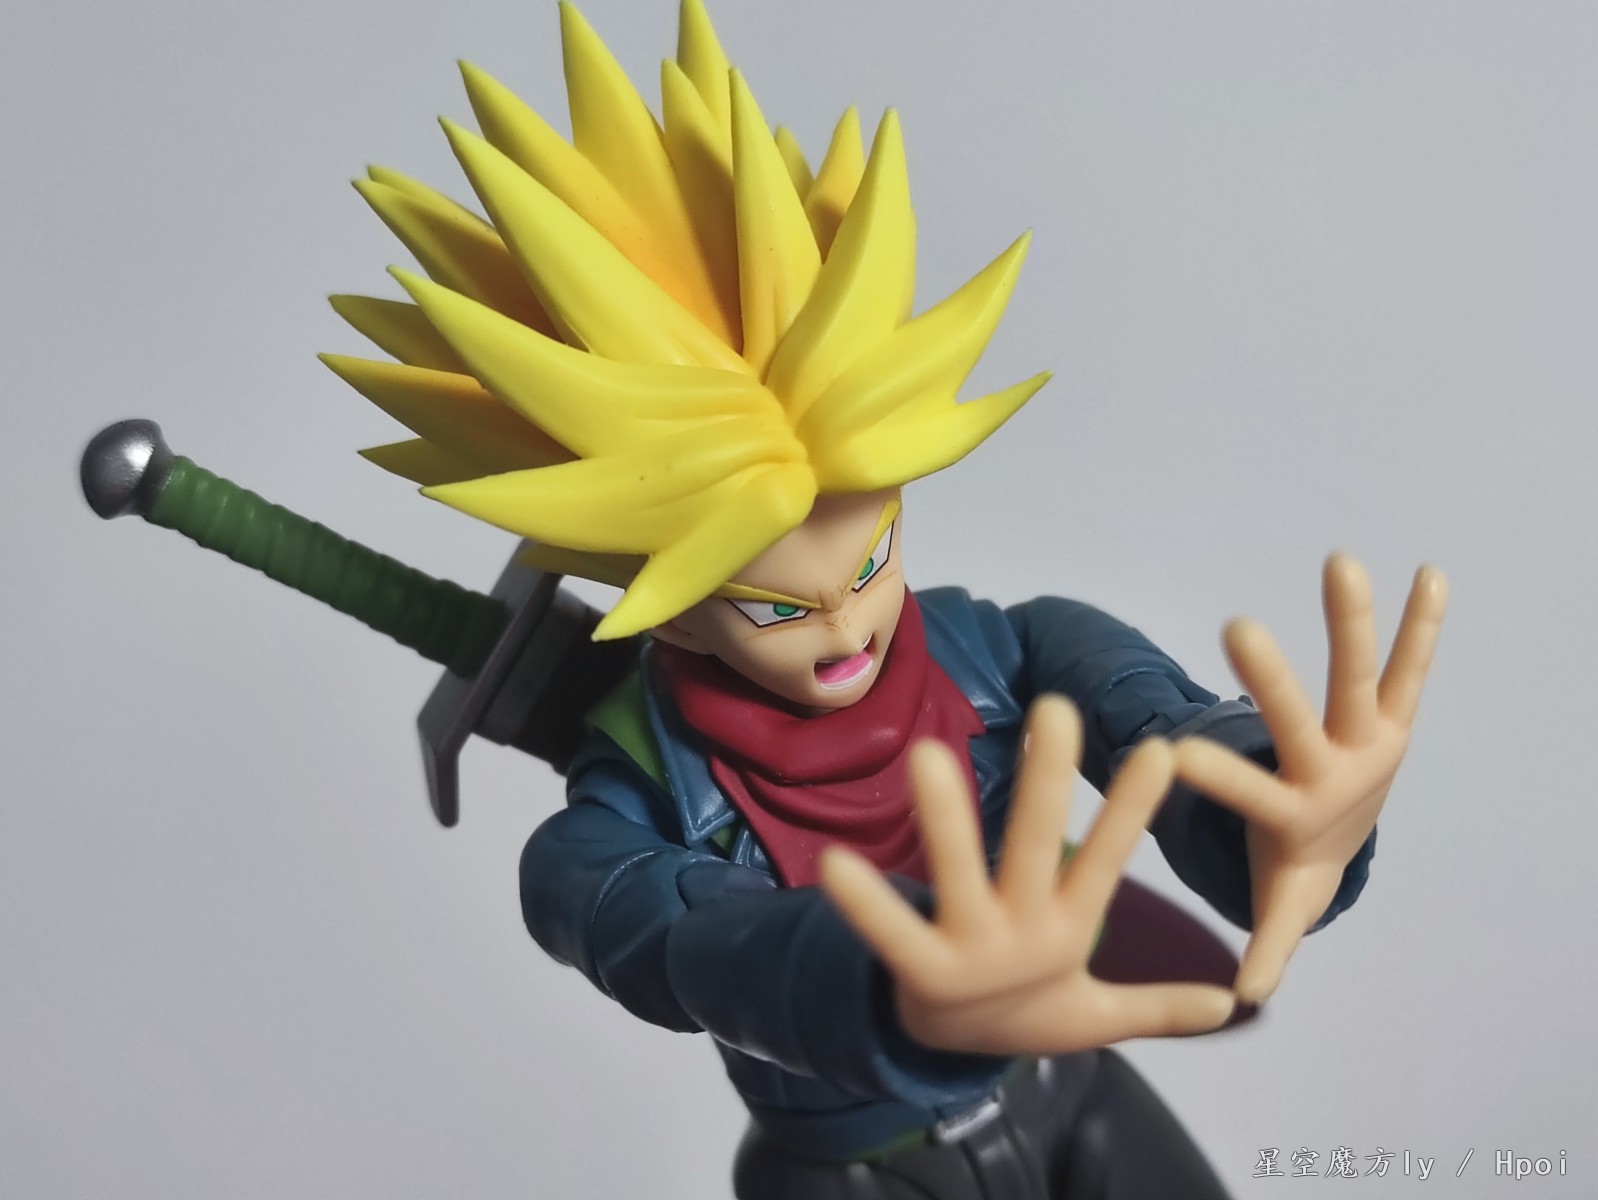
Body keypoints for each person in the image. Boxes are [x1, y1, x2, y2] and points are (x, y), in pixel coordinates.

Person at [322, 4, 1446, 1194]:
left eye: (869, 562)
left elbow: (1158, 732)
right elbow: (649, 924)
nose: (845, 625)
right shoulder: (634, 805)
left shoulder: (1003, 655)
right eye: (773, 607)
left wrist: (1279, 817)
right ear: (669, 606)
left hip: (1068, 1096)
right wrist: (883, 985)